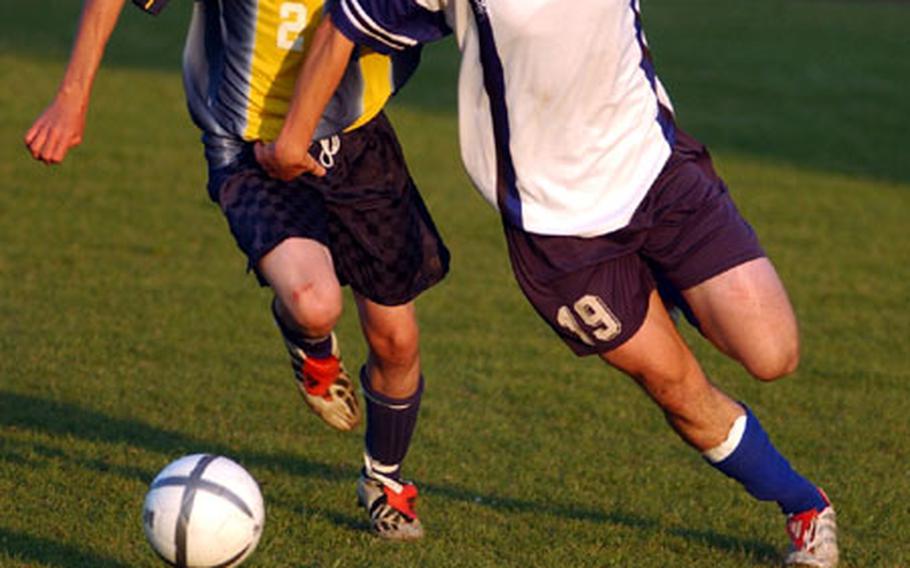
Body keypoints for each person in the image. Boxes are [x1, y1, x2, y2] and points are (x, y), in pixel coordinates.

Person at [253, 0, 840, 565]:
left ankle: (665, 287)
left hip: (656, 174)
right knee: (676, 386)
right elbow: (344, 23)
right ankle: (805, 508)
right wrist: (291, 141)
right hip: (557, 229)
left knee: (772, 353)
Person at [23, 0, 451, 541]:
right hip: (250, 146)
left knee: (396, 340)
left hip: (358, 140)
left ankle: (384, 482)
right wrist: (71, 98)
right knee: (315, 304)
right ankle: (310, 345)